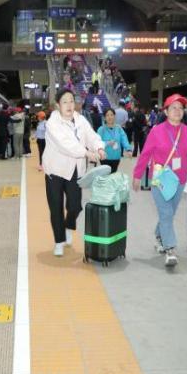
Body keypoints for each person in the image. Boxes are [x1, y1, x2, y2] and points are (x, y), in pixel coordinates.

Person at [132, 94, 187, 267]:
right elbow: (145, 154)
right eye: (173, 108)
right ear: (166, 111)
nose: (177, 111)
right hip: (160, 179)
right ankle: (170, 249)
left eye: (180, 108)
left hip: (180, 179)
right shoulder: (157, 131)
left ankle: (159, 234)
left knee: (169, 213)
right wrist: (137, 175)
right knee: (166, 213)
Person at [43, 89, 106, 257]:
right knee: (56, 207)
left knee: (75, 206)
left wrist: (99, 147)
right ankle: (59, 241)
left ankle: (69, 226)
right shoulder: (52, 123)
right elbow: (66, 145)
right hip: (55, 171)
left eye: (71, 101)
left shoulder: (81, 120)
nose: (69, 105)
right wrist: (87, 153)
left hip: (75, 170)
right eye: (65, 102)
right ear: (58, 105)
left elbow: (91, 136)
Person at [97, 108, 132, 173]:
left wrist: (128, 149)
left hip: (116, 157)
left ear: (114, 116)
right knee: (106, 176)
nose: (110, 117)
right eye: (107, 115)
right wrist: (107, 143)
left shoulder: (119, 128)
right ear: (104, 117)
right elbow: (97, 142)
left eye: (111, 115)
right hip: (104, 157)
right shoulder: (101, 129)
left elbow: (124, 139)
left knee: (113, 175)